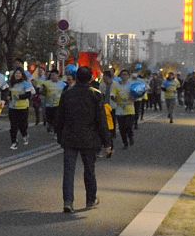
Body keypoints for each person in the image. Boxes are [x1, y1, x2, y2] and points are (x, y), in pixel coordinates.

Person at [54, 66, 111, 213]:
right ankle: (90, 199)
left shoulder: (67, 93)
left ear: (77, 77)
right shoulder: (96, 94)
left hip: (70, 137)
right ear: (91, 78)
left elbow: (60, 117)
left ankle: (68, 201)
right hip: (89, 138)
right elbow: (101, 121)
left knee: (68, 171)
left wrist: (59, 135)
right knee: (89, 170)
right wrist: (107, 142)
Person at [110, 69, 139, 149]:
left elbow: (137, 94)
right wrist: (115, 99)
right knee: (122, 128)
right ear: (120, 76)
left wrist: (134, 98)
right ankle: (125, 143)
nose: (124, 76)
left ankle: (130, 136)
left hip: (130, 109)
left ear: (128, 76)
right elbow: (112, 95)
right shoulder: (116, 85)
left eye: (126, 74)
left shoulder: (132, 85)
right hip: (120, 109)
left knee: (128, 126)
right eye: (123, 74)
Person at [6, 67, 33, 149]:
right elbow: (8, 93)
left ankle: (24, 134)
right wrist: (8, 97)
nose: (17, 75)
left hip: (23, 107)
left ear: (22, 75)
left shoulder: (26, 83)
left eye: (19, 73)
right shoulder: (11, 83)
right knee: (13, 125)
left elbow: (28, 95)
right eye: (16, 73)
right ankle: (14, 141)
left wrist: (20, 96)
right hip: (12, 107)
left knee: (22, 125)